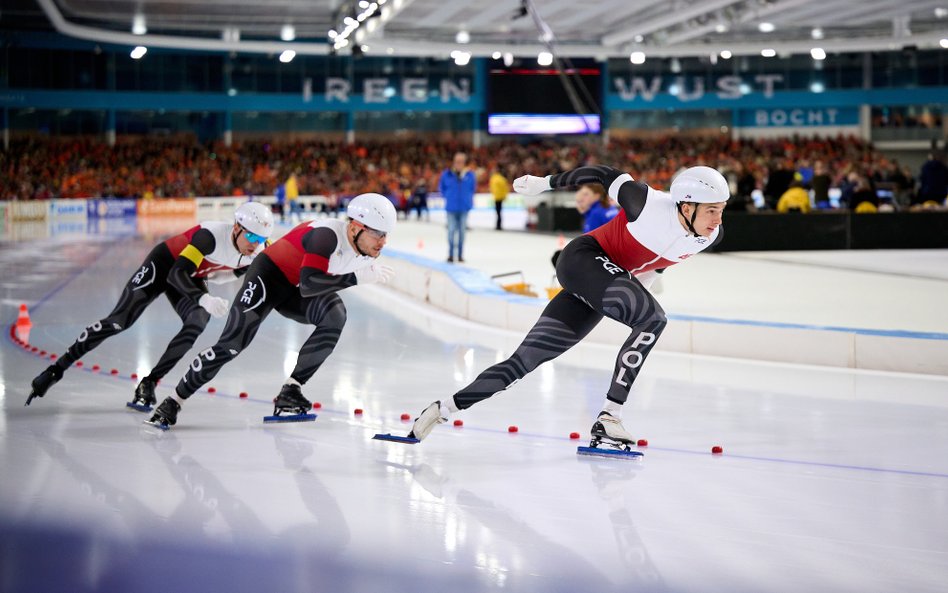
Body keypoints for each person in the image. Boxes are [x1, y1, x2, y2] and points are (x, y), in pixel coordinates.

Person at [407, 165, 728, 449]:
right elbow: (603, 173)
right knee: (654, 319)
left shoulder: (708, 235)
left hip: (602, 282)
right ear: (686, 206)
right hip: (583, 260)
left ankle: (443, 408)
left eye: (721, 210)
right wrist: (544, 182)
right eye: (712, 210)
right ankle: (610, 416)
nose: (717, 220)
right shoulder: (645, 202)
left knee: (524, 361)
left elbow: (665, 257)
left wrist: (646, 279)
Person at [145, 193, 397, 429]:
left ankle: (291, 389)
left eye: (386, 235)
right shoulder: (326, 236)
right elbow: (311, 284)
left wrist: (355, 275)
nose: (383, 242)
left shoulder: (367, 248)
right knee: (232, 343)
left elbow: (310, 284)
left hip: (294, 288)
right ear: (354, 228)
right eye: (378, 234)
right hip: (267, 277)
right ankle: (173, 400)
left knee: (335, 315)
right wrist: (354, 278)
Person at [26, 202, 275, 408]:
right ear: (235, 228)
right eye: (251, 235)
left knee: (197, 322)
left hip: (194, 276)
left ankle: (149, 382)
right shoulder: (208, 236)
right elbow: (177, 274)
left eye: (261, 238)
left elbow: (240, 270)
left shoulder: (258, 248)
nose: (255, 243)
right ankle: (55, 370)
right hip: (165, 265)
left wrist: (223, 279)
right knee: (119, 321)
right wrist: (203, 298)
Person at [439, 152, 475, 262]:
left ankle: (460, 255)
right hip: (451, 208)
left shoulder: (469, 175)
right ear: (454, 162)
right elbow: (442, 188)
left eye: (461, 161)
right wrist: (448, 197)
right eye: (457, 161)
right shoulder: (447, 174)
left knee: (462, 234)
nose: (459, 163)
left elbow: (472, 189)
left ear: (464, 162)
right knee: (451, 232)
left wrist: (468, 200)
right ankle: (450, 254)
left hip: (464, 208)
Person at [489, 166, 510, 230]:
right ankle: (498, 225)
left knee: (498, 211)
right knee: (499, 211)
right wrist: (504, 196)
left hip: (497, 197)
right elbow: (505, 188)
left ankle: (498, 225)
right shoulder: (501, 179)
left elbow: (493, 187)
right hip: (499, 197)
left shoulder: (494, 178)